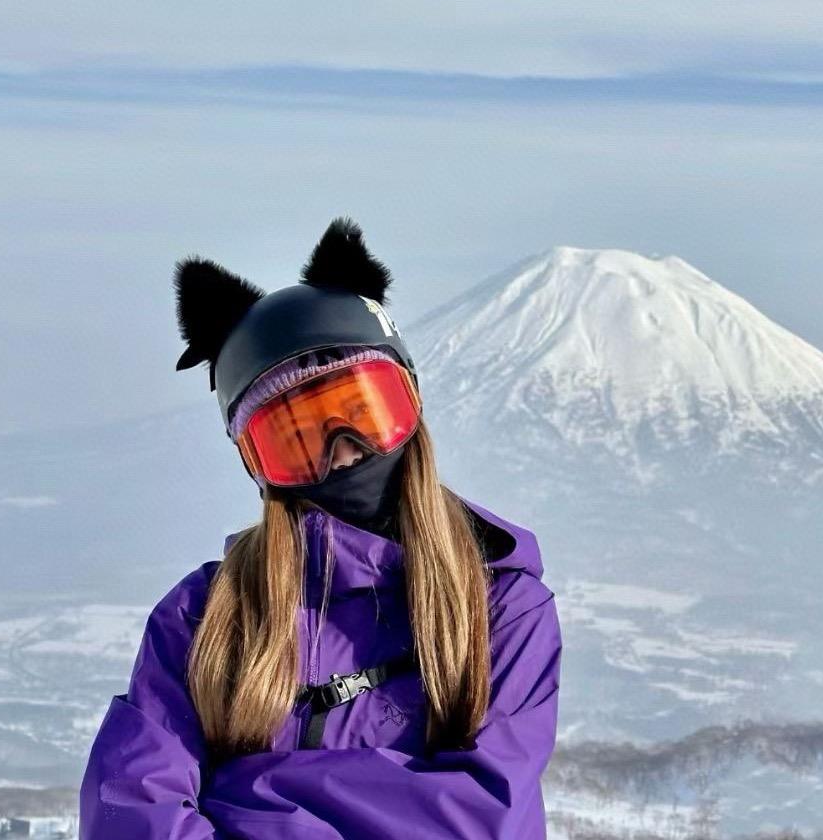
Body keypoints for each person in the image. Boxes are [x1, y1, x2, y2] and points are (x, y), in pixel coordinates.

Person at [78, 216, 563, 838]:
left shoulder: (501, 603)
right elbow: (129, 810)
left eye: (364, 412)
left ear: (410, 403)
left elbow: (483, 816)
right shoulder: (207, 617)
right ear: (259, 465)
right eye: (299, 437)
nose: (345, 452)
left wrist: (244, 794)